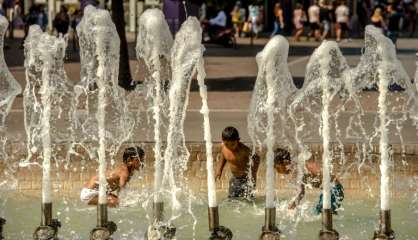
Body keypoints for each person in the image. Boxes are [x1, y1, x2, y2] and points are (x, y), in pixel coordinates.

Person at [274, 148, 344, 214]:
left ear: (285, 162)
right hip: (327, 192)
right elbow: (301, 192)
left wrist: (314, 176)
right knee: (317, 213)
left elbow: (321, 172)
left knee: (321, 213)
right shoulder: (296, 170)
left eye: (277, 167)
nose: (277, 171)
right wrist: (294, 204)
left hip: (334, 190)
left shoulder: (302, 161)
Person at [80, 146, 145, 207]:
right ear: (129, 160)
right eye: (138, 160)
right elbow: (121, 190)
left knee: (121, 203)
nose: (141, 163)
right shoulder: (125, 172)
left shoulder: (127, 170)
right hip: (89, 193)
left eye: (142, 160)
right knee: (120, 204)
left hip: (93, 191)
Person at [215, 126, 260, 200]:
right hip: (235, 178)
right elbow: (224, 156)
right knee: (232, 200)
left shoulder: (243, 150)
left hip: (247, 179)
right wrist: (220, 170)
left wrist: (253, 172)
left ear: (238, 141)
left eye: (232, 144)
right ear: (223, 141)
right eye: (226, 144)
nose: (230, 147)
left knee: (249, 200)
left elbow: (256, 158)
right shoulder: (223, 147)